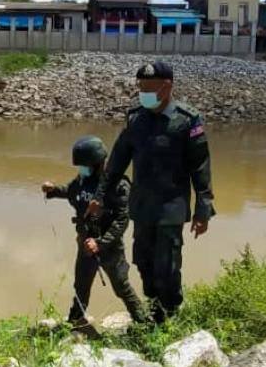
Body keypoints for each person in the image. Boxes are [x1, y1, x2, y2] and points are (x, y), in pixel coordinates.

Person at [87, 61, 215, 323]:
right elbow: (116, 163)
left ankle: (169, 316)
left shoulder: (186, 120)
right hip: (142, 206)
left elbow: (200, 168)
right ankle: (155, 309)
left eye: (148, 87)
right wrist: (99, 196)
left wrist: (203, 210)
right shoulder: (136, 119)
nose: (142, 92)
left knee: (167, 266)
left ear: (166, 87)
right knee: (143, 262)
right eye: (140, 87)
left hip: (171, 209)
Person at [42, 136, 148, 330]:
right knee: (80, 287)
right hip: (85, 245)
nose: (81, 169)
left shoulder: (117, 184)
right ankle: (74, 322)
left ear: (98, 163)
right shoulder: (82, 180)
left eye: (84, 165)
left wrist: (101, 243)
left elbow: (123, 219)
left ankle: (144, 324)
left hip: (109, 248)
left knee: (121, 288)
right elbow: (71, 191)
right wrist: (53, 190)